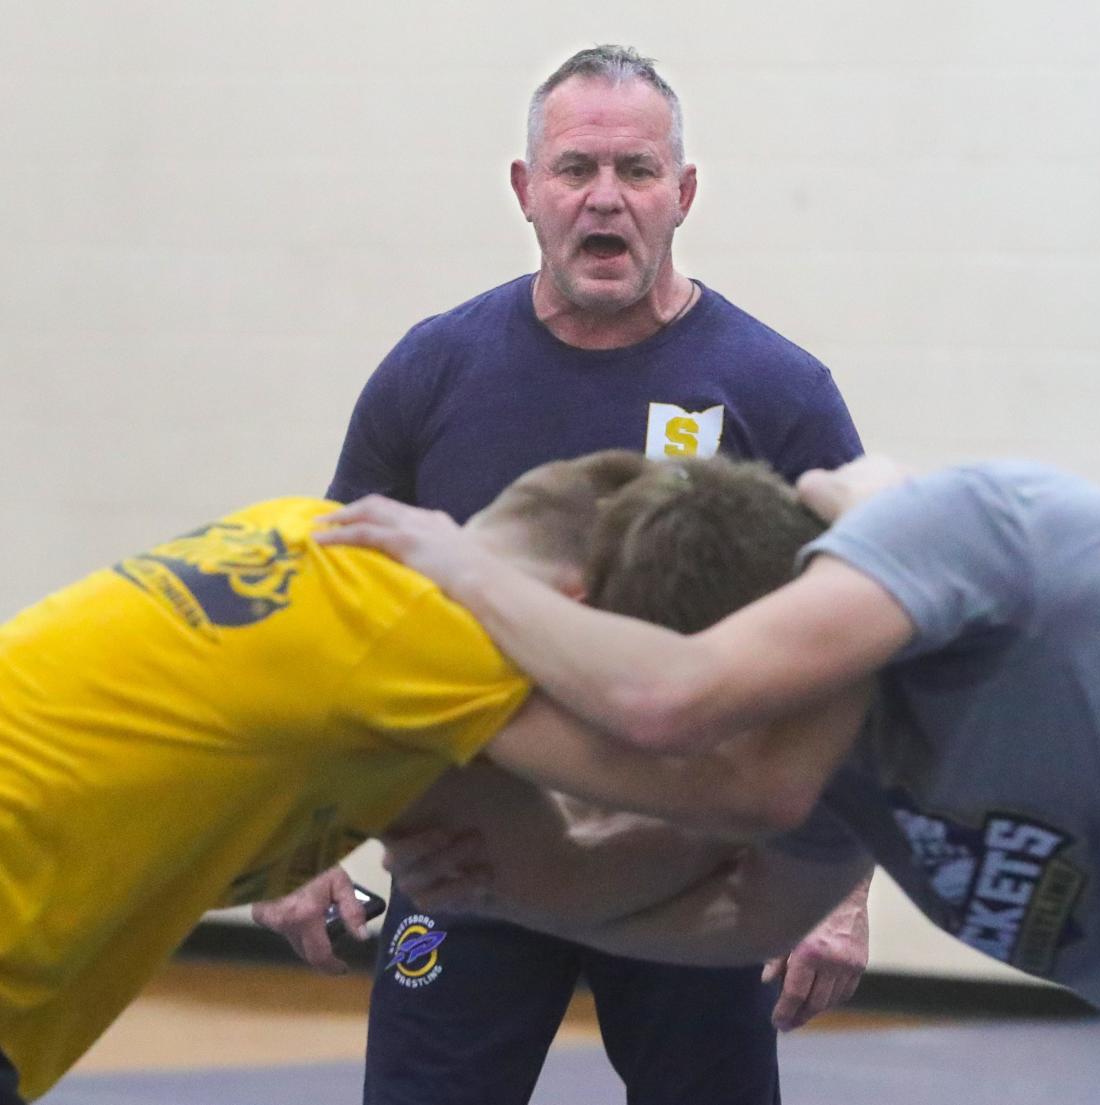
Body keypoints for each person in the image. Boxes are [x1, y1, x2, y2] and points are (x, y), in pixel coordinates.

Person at [262, 43, 869, 1105]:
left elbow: (862, 638)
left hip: (695, 854)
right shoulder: (435, 368)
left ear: (682, 195)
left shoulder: (779, 389)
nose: (605, 199)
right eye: (576, 169)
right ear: (525, 190)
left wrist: (837, 884)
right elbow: (334, 602)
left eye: (636, 172)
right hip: (466, 844)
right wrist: (299, 831)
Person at [323, 455, 1100, 1105]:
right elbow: (747, 920)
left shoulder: (963, 522)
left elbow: (670, 704)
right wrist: (504, 887)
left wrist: (462, 569)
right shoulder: (839, 763)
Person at [0, 450, 863, 1105]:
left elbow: (542, 868)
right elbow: (753, 794)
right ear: (573, 610)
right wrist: (869, 609)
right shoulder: (438, 644)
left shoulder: (311, 538)